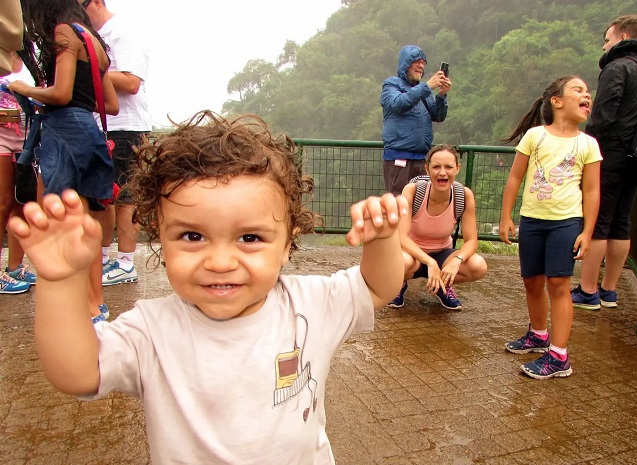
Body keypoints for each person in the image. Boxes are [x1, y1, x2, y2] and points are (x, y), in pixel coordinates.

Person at [9, 111, 409, 464]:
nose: (219, 262)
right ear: (159, 239)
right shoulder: (151, 329)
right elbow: (78, 374)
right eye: (192, 236)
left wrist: (382, 240)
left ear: (288, 243)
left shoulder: (311, 303)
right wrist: (59, 280)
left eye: (250, 238)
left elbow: (378, 286)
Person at [9, 0, 118, 322]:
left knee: (65, 219)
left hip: (65, 130)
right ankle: (95, 303)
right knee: (87, 221)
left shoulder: (64, 33)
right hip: (89, 130)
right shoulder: (93, 39)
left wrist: (23, 88)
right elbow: (110, 104)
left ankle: (82, 306)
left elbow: (60, 94)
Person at [499, 76, 602, 380]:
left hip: (566, 223)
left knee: (558, 285)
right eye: (578, 90)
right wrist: (507, 216)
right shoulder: (535, 136)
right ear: (556, 101)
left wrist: (587, 231)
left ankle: (559, 356)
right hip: (532, 220)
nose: (587, 95)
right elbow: (515, 178)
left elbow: (593, 191)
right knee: (531, 280)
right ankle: (538, 335)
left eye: (587, 92)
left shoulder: (587, 144)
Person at [571, 14, 637, 311]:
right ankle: (609, 290)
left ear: (623, 38)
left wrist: (588, 149)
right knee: (621, 222)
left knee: (598, 222)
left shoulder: (618, 67)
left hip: (611, 156)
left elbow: (603, 116)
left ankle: (587, 291)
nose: (603, 48)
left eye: (607, 40)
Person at [82, 0, 152, 287]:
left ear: (96, 2)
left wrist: (84, 70)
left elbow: (131, 81)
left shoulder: (122, 32)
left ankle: (125, 263)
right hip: (100, 126)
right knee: (102, 196)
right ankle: (103, 257)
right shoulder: (91, 35)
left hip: (126, 127)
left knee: (125, 197)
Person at [388, 144, 487, 311]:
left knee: (478, 266)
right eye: (436, 167)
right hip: (412, 254)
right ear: (427, 169)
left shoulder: (464, 195)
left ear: (457, 168)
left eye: (448, 167)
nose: (442, 172)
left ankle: (443, 284)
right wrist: (430, 262)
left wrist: (457, 260)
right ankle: (399, 283)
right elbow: (401, 238)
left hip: (443, 253)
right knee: (400, 263)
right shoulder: (413, 191)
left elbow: (471, 241)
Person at [380, 45, 450, 196]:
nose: (421, 65)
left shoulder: (423, 91)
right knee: (400, 204)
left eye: (423, 62)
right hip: (399, 158)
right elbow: (397, 104)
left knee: (422, 205)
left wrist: (442, 95)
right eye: (416, 61)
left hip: (422, 159)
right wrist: (427, 87)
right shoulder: (391, 85)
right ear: (405, 64)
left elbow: (438, 116)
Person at [0, 52, 36, 293]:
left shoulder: (31, 60)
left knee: (21, 202)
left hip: (26, 137)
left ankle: (15, 266)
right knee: (2, 201)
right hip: (1, 137)